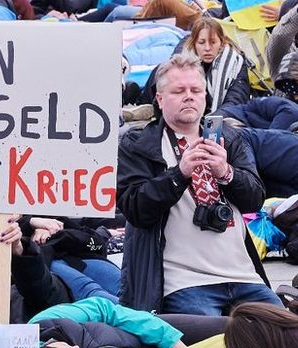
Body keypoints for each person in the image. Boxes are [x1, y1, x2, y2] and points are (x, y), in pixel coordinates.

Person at [116, 54, 279, 315]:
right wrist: (178, 175)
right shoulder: (138, 144)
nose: (189, 96)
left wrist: (226, 173)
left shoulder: (229, 138)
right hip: (184, 282)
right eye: (179, 91)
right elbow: (135, 208)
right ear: (159, 99)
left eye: (196, 90)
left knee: (287, 337)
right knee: (216, 347)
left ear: (205, 96)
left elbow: (254, 199)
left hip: (243, 275)